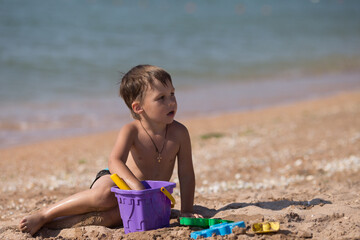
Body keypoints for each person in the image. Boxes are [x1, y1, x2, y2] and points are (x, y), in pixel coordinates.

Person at [19, 64, 202, 236]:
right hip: (117, 181)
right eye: (161, 98)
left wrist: (187, 211)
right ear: (138, 107)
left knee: (113, 217)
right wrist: (135, 185)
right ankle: (45, 214)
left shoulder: (180, 133)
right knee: (105, 196)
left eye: (172, 94)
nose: (171, 102)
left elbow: (186, 174)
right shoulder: (132, 130)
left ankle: (55, 223)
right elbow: (114, 161)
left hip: (145, 196)